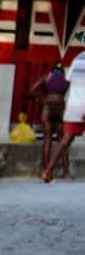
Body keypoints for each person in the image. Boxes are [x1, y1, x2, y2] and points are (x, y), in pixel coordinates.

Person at [42, 52, 85, 182]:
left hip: (73, 105)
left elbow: (69, 79)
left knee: (66, 139)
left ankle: (47, 172)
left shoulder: (78, 59)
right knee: (65, 139)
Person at [38, 62, 69, 178]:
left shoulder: (48, 76)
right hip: (60, 106)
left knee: (47, 139)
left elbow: (33, 88)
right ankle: (66, 173)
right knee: (63, 141)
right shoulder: (66, 79)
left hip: (48, 107)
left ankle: (47, 171)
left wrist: (43, 98)